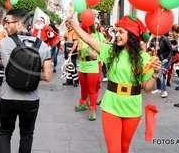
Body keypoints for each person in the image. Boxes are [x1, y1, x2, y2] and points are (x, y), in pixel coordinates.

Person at [68, 15, 160, 153]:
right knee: (114, 150)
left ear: (132, 35)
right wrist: (74, 25)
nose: (117, 35)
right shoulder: (110, 51)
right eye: (116, 31)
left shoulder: (145, 58)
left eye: (121, 32)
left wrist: (155, 74)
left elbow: (147, 88)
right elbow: (88, 39)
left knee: (124, 148)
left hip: (132, 107)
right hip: (111, 105)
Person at [0, 9, 52, 153]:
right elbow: (47, 76)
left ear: (19, 23)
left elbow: (6, 66)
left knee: (5, 133)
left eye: (8, 22)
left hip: (8, 97)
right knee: (27, 135)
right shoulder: (43, 46)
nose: (6, 26)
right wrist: (32, 74)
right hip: (31, 99)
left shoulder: (3, 43)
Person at [75, 24, 105, 121]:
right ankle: (83, 103)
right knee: (83, 88)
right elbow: (79, 53)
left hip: (93, 65)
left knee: (92, 89)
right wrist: (79, 49)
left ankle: (92, 109)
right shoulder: (81, 36)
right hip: (82, 64)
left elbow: (95, 56)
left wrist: (87, 48)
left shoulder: (98, 36)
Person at [63, 20, 80, 87]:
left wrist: (71, 52)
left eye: (67, 24)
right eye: (66, 24)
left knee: (72, 66)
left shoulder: (74, 31)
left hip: (72, 52)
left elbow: (75, 43)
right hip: (67, 51)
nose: (66, 25)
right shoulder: (67, 31)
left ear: (71, 24)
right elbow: (65, 39)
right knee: (68, 66)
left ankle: (76, 81)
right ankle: (69, 81)